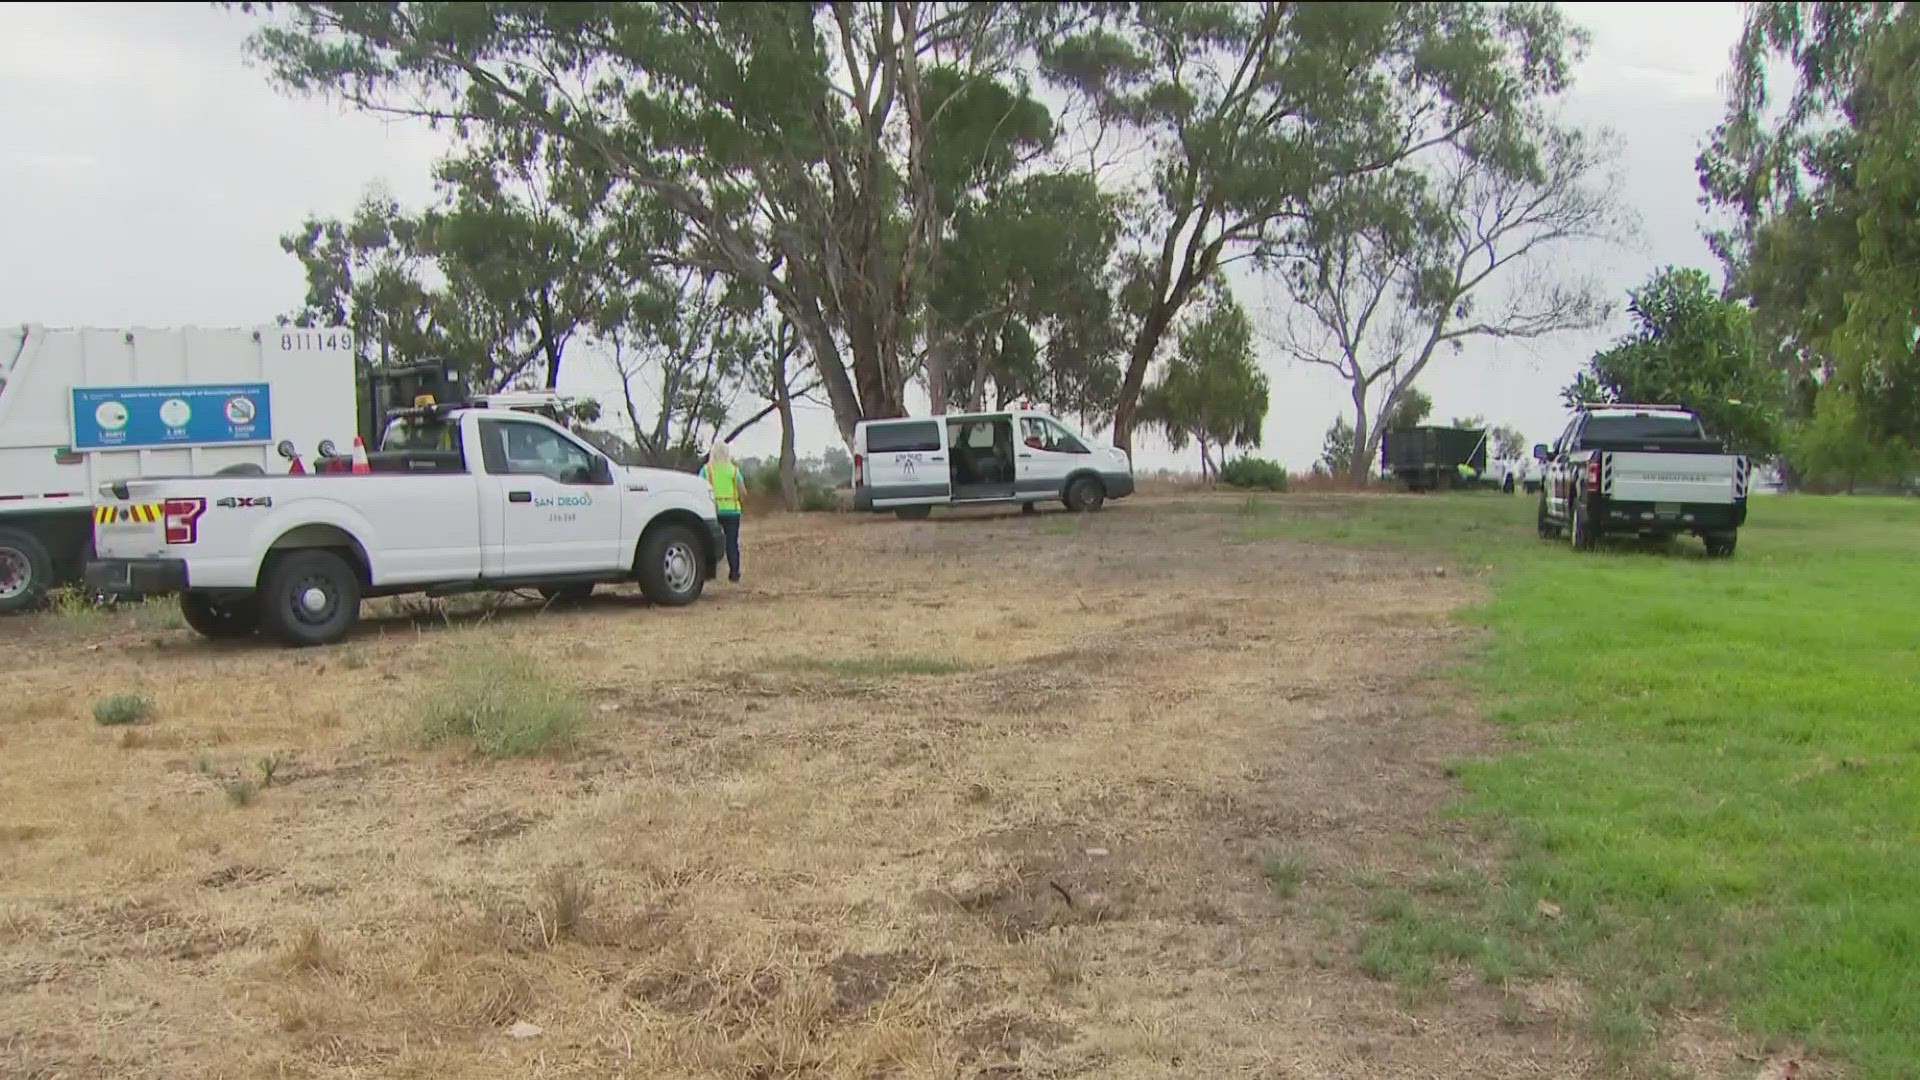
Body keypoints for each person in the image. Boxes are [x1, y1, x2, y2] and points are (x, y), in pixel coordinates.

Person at [700, 440, 745, 582]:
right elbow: (743, 491)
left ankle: (709, 573)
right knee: (732, 543)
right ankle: (734, 574)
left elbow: (699, 490)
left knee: (709, 542)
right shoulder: (734, 470)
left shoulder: (706, 470)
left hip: (712, 511)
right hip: (732, 511)